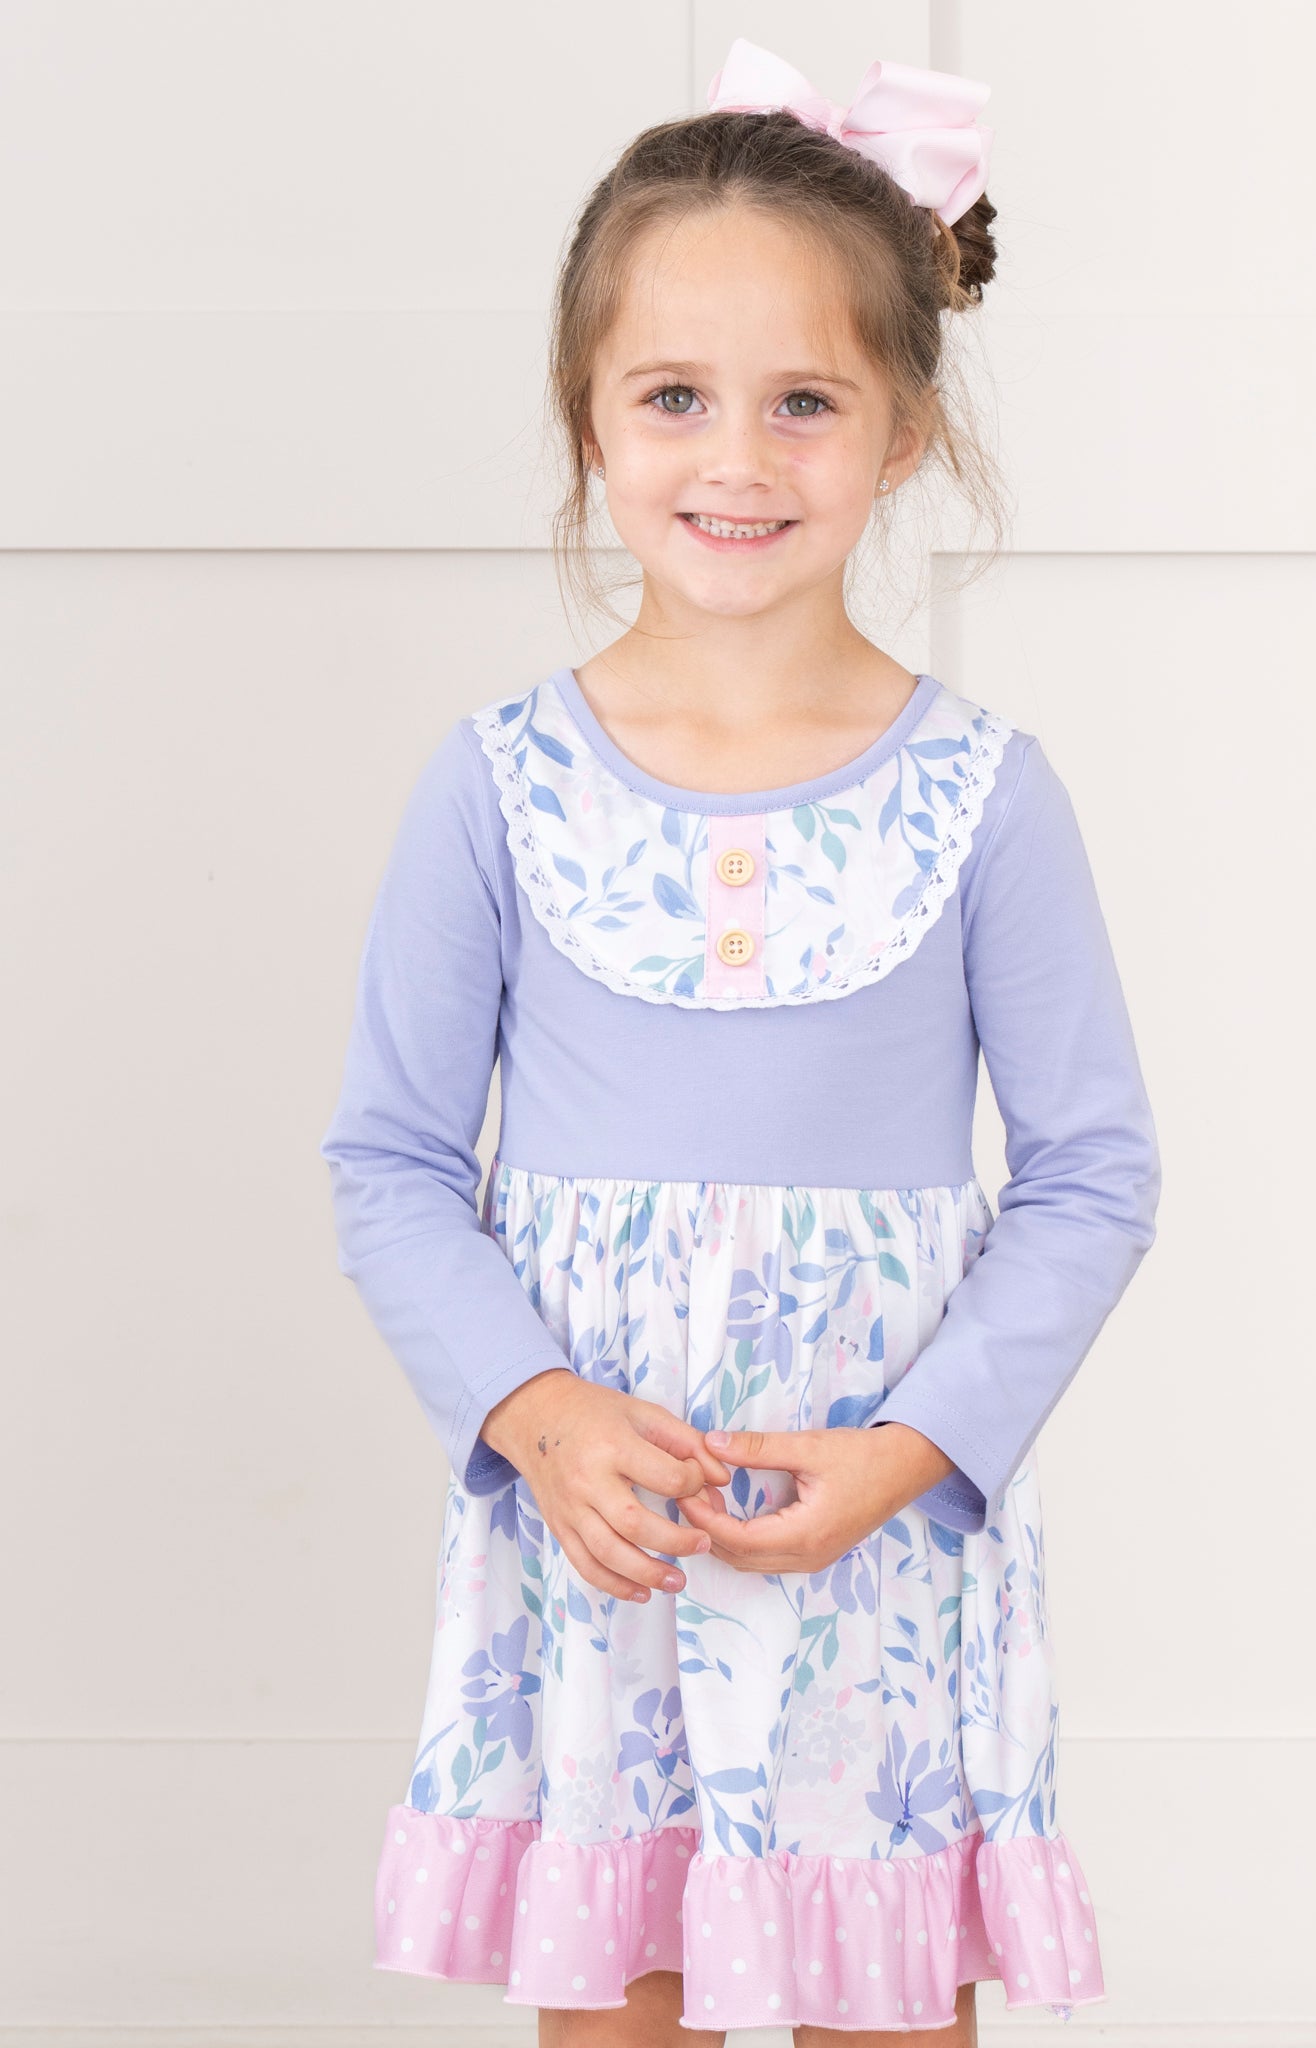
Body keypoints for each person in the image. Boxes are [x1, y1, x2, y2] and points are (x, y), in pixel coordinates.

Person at [318, 36, 1161, 2043]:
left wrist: (910, 1457)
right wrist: (539, 1413)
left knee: (886, 2002)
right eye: (676, 396)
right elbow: (392, 1162)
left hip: (873, 1548)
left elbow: (1092, 1174)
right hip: (600, 1548)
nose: (739, 458)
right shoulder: (497, 784)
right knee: (624, 1998)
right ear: (589, 418)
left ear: (904, 429)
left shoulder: (985, 795)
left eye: (805, 401)